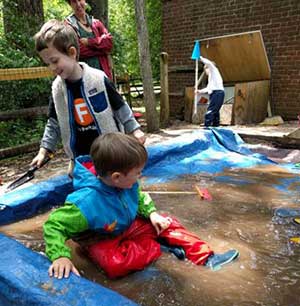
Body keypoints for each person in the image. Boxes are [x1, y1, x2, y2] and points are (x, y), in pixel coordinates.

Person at [43, 132, 239, 279]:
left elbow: (139, 195)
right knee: (114, 266)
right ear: (117, 177)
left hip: (126, 225)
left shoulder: (127, 183)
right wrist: (60, 256)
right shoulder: (85, 204)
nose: (140, 177)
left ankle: (206, 257)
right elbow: (53, 225)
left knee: (167, 223)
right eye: (137, 173)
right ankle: (157, 248)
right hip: (101, 237)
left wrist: (152, 213)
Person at [31, 20, 145, 174]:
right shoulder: (58, 89)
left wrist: (134, 129)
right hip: (80, 159)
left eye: (55, 61)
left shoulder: (98, 79)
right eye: (47, 64)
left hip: (110, 154)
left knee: (117, 187)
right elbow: (53, 123)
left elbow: (120, 106)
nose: (52, 68)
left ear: (72, 53)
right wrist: (44, 150)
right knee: (87, 192)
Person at [64, 0, 113, 80]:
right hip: (84, 77)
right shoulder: (68, 25)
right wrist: (103, 50)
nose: (78, 4)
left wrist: (89, 42)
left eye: (80, 0)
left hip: (104, 74)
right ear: (70, 4)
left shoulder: (96, 23)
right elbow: (79, 51)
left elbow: (109, 43)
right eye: (74, 1)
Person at [196, 56, 225, 127]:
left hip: (217, 93)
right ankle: (215, 126)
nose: (205, 72)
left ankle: (207, 127)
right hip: (215, 94)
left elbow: (209, 63)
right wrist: (199, 91)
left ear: (208, 68)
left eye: (205, 70)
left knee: (211, 110)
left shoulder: (214, 71)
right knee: (215, 111)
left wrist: (200, 58)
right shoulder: (212, 78)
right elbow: (208, 88)